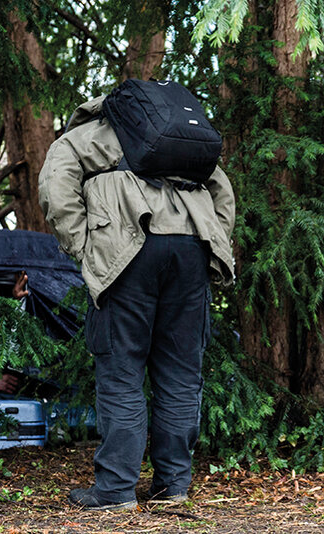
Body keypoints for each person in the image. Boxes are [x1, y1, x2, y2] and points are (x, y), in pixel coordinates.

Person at [38, 92, 235, 510]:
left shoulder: (89, 136)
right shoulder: (181, 139)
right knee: (181, 372)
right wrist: (212, 242)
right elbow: (222, 191)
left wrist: (84, 245)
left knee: (122, 368)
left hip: (129, 249)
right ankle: (172, 487)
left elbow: (57, 184)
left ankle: (114, 490)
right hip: (191, 248)